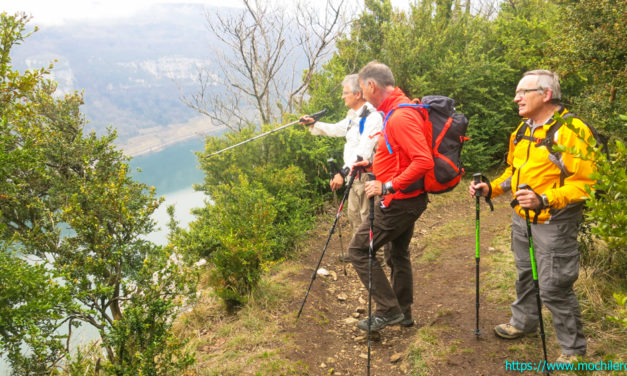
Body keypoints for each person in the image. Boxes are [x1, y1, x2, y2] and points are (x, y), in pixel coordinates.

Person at [469, 70, 595, 364]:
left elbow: (586, 183)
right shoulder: (523, 130)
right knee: (526, 273)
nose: (516, 98)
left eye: (522, 92)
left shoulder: (572, 131)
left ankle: (574, 351)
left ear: (546, 94)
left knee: (554, 285)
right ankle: (524, 322)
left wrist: (546, 199)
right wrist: (492, 189)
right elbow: (515, 173)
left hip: (556, 222)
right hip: (522, 219)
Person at [347, 61, 433, 331]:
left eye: (362, 89)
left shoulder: (400, 116)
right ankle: (403, 312)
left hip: (399, 202)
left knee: (359, 250)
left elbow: (423, 161)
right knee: (397, 254)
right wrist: (372, 167)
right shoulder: (396, 110)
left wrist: (387, 186)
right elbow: (401, 157)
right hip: (406, 198)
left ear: (372, 86)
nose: (361, 94)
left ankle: (388, 310)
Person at [300, 74, 382, 237]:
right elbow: (337, 129)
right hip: (354, 178)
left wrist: (342, 172)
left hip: (366, 177)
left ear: (358, 94)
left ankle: (373, 260)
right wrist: (314, 124)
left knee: (368, 223)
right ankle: (360, 257)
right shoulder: (353, 116)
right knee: (354, 218)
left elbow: (363, 153)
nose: (342, 96)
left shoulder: (372, 117)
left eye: (345, 92)